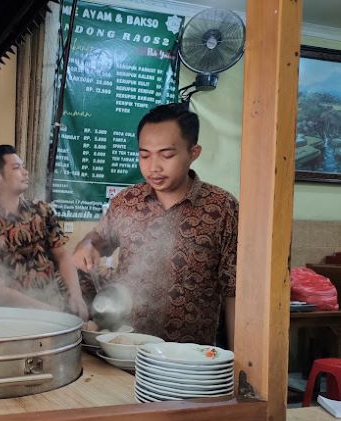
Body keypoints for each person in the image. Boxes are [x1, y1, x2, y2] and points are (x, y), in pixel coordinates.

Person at [73, 103, 238, 347]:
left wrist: (237, 363)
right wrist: (87, 245)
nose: (153, 167)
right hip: (127, 348)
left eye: (167, 155)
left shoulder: (222, 208)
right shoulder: (127, 202)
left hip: (189, 356)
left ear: (194, 152)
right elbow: (98, 240)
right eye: (144, 155)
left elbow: (233, 291)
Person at [0, 145, 88, 320]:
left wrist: (76, 296)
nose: (25, 172)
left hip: (56, 308)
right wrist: (44, 311)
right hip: (17, 321)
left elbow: (62, 256)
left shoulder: (42, 211)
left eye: (23, 166)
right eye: (17, 168)